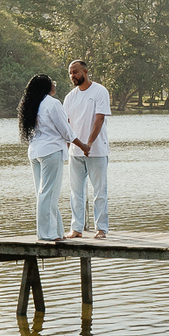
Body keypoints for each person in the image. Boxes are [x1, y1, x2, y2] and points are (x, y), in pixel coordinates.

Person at [17, 73, 73, 241]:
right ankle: (47, 234)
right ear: (47, 86)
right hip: (50, 152)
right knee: (49, 193)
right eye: (52, 83)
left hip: (35, 152)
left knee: (44, 193)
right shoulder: (52, 103)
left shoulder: (32, 103)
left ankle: (57, 231)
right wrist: (82, 145)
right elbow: (66, 130)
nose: (54, 85)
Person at [63, 59, 111, 237]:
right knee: (76, 193)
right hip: (75, 153)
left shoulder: (99, 91)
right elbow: (66, 125)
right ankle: (76, 228)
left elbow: (99, 119)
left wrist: (89, 143)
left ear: (85, 72)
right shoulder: (70, 97)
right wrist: (69, 148)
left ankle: (101, 228)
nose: (72, 76)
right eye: (70, 73)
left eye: (75, 72)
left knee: (100, 191)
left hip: (97, 151)